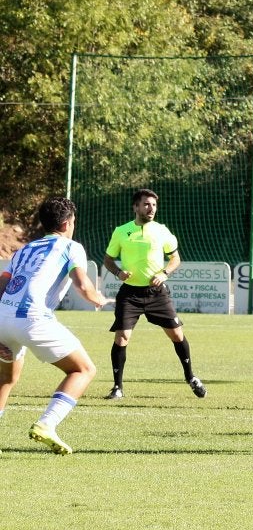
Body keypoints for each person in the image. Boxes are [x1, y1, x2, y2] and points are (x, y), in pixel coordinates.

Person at [0, 196, 111, 453]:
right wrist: (98, 298)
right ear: (65, 224)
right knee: (83, 370)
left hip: (3, 319)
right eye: (73, 222)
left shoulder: (24, 250)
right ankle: (47, 424)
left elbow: (2, 286)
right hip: (33, 318)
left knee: (5, 378)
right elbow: (82, 284)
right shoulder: (70, 247)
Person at [103, 189, 204, 400]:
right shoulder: (121, 231)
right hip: (130, 294)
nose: (151, 209)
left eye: (154, 205)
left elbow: (175, 258)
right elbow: (108, 259)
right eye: (147, 204)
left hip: (157, 293)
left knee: (177, 334)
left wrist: (165, 273)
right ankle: (117, 387)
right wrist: (118, 272)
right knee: (122, 337)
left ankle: (191, 378)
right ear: (136, 207)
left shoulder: (162, 231)